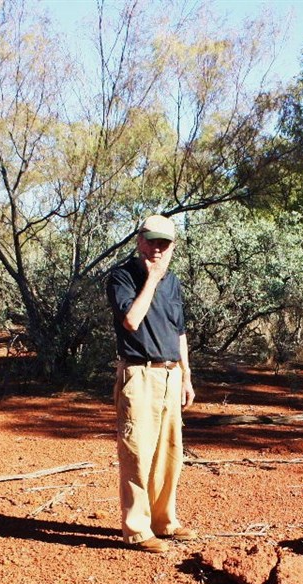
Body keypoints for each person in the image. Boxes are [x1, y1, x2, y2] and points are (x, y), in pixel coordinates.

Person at [105, 214, 197, 554]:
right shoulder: (122, 276)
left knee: (169, 453)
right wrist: (152, 280)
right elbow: (131, 320)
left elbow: (180, 331)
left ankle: (164, 521)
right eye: (152, 241)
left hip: (170, 374)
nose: (158, 249)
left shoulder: (173, 282)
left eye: (165, 243)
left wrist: (186, 376)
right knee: (137, 453)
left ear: (173, 247)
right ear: (139, 240)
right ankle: (138, 529)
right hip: (139, 374)